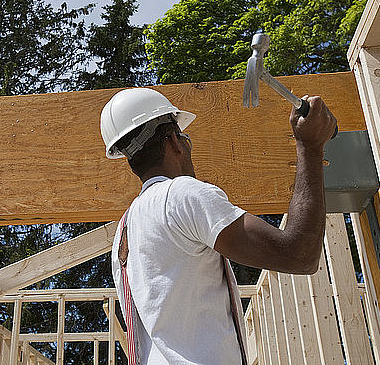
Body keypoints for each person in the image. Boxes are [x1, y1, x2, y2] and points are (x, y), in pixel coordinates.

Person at [99, 87, 337, 364]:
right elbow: (300, 255)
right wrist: (309, 147)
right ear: (175, 141)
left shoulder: (125, 232)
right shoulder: (181, 195)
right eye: (186, 138)